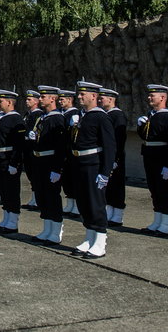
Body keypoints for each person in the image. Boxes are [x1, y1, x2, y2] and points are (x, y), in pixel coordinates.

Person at [69, 81, 115, 259]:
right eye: (79, 94)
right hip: (80, 164)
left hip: (93, 165)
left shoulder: (101, 117)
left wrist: (105, 172)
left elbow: (110, 147)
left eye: (83, 94)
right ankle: (89, 238)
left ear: (94, 96)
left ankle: (100, 241)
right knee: (84, 203)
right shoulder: (82, 116)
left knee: (96, 204)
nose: (79, 97)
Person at [136, 84, 168, 237]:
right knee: (154, 190)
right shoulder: (151, 116)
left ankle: (167, 224)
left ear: (162, 98)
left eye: (152, 96)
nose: (149, 98)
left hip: (162, 159)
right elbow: (146, 137)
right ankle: (157, 221)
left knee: (164, 191)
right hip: (150, 157)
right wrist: (141, 127)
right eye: (149, 95)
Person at [28, 86, 67, 244]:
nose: (41, 99)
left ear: (53, 99)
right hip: (39, 161)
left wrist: (57, 169)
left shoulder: (57, 118)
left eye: (44, 96)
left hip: (50, 162)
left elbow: (60, 146)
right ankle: (47, 228)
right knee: (41, 195)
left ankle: (56, 231)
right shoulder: (43, 117)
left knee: (52, 197)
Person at [0, 90, 26, 233]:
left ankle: (13, 221)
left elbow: (19, 144)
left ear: (9, 102)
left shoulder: (15, 119)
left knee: (11, 191)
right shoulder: (1, 118)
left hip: (8, 159)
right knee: (2, 190)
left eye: (0, 101)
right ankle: (6, 218)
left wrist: (14, 163)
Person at [100, 88, 127, 226]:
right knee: (109, 186)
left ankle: (118, 215)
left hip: (115, 157)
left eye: (102, 97)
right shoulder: (106, 114)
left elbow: (119, 139)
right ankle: (109, 212)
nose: (100, 100)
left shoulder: (117, 115)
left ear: (111, 99)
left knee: (116, 185)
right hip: (107, 155)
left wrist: (115, 159)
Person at [58, 89, 81, 218]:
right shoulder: (61, 113)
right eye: (60, 99)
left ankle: (77, 205)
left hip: (70, 151)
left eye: (63, 99)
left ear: (70, 100)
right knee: (66, 179)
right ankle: (70, 203)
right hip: (62, 151)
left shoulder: (74, 113)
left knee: (73, 178)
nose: (60, 101)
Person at [23, 90, 44, 209]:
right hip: (27, 146)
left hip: (33, 147)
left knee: (36, 175)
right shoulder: (28, 114)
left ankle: (37, 199)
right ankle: (34, 197)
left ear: (36, 101)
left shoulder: (38, 114)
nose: (27, 101)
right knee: (30, 173)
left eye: (29, 100)